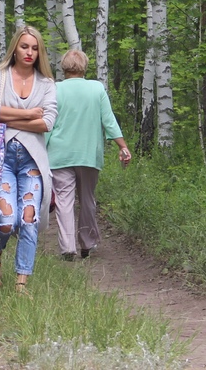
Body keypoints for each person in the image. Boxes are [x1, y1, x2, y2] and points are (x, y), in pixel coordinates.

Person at [0, 24, 57, 295]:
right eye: (25, 46)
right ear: (15, 48)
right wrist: (28, 115)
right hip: (2, 159)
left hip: (32, 162)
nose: (29, 52)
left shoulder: (46, 83)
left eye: (35, 48)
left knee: (29, 218)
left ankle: (21, 284)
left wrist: (8, 117)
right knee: (5, 220)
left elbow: (47, 122)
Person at [46, 50, 131, 260]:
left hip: (60, 154)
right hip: (88, 154)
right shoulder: (96, 88)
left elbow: (47, 125)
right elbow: (108, 121)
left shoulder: (54, 89)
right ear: (84, 67)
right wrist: (123, 146)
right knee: (87, 199)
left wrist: (39, 152)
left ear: (63, 67)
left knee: (64, 201)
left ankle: (67, 247)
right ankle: (87, 243)